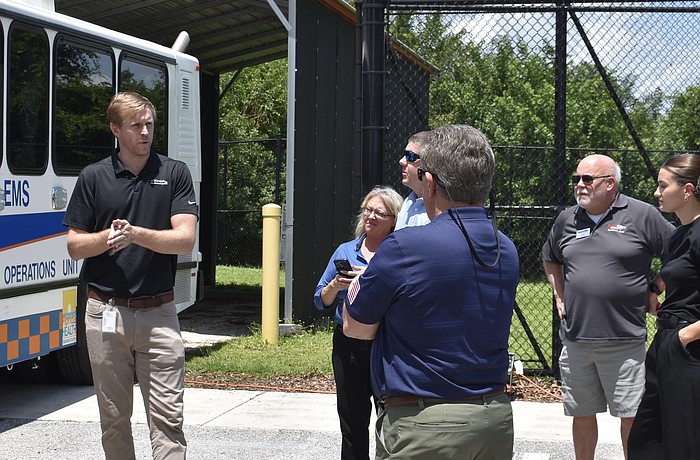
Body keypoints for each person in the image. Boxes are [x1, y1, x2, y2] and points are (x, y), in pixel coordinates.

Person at [343, 124, 519, 460]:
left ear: (432, 182)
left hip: (425, 423)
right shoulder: (505, 249)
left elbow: (356, 326)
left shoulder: (406, 246)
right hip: (495, 418)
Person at [63, 92, 198, 460]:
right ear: (116, 130)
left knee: (168, 418)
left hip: (160, 314)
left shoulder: (173, 173)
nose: (145, 132)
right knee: (114, 419)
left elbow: (185, 240)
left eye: (149, 124)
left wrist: (137, 233)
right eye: (136, 126)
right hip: (106, 313)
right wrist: (109, 237)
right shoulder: (94, 177)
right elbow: (74, 246)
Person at [541, 154, 675, 460]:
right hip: (576, 340)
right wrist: (559, 295)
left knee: (631, 416)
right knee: (582, 413)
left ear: (610, 183)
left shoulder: (642, 215)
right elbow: (550, 257)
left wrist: (656, 287)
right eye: (576, 179)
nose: (579, 185)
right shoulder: (567, 219)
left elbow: (678, 255)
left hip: (624, 341)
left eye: (587, 179)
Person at [314, 185, 403, 460]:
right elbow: (320, 300)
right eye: (368, 210)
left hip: (385, 346)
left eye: (380, 213)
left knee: (390, 418)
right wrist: (335, 285)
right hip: (348, 344)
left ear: (394, 220)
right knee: (352, 421)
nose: (371, 217)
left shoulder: (399, 252)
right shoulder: (346, 251)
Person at [628, 154, 700, 459]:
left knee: (683, 444)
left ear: (687, 190)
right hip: (667, 343)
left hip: (688, 348)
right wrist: (656, 288)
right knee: (647, 440)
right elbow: (680, 273)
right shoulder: (680, 234)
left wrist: (685, 337)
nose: (657, 192)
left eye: (662, 185)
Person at [394, 131, 431, 230]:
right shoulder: (408, 202)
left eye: (409, 156)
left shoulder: (440, 209)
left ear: (429, 163)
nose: (401, 161)